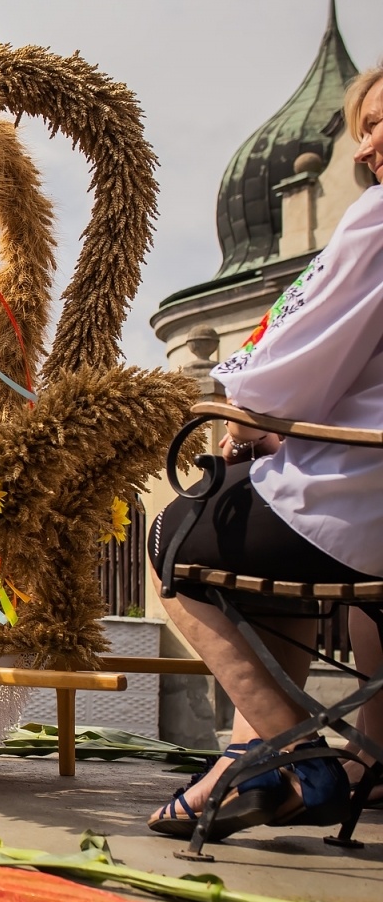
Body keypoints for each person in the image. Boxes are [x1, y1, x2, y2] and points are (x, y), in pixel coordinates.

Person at [146, 62, 383, 839]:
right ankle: (289, 754)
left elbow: (295, 363)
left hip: (362, 500)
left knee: (180, 536)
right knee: (276, 559)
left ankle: (288, 751)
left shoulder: (376, 219)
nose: (372, 145)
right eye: (365, 128)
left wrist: (243, 411)